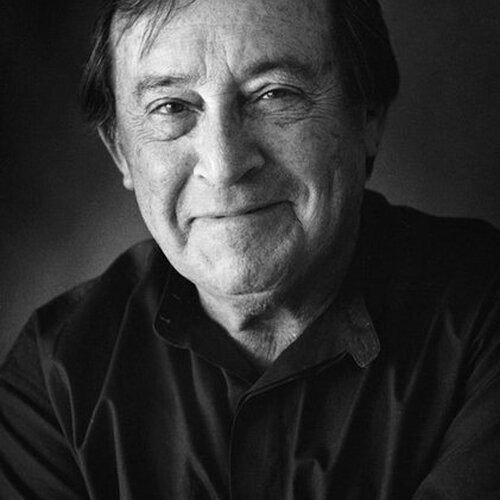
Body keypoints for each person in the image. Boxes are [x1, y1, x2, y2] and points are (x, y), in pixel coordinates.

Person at [1, 0, 499, 498]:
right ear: (121, 152)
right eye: (171, 107)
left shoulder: (484, 314)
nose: (224, 165)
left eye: (273, 94)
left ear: (367, 118)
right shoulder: (54, 377)